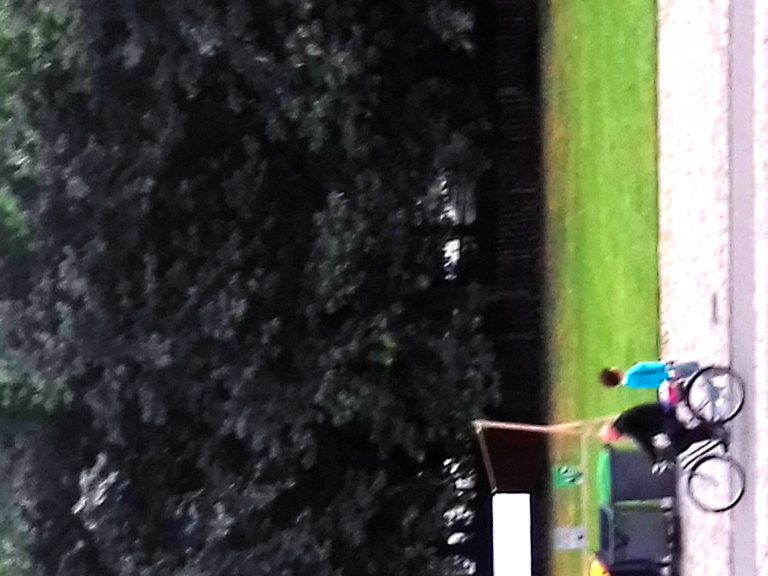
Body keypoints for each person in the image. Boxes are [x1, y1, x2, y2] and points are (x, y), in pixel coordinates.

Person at [598, 402, 724, 474]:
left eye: (611, 438)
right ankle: (710, 430)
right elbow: (645, 440)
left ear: (611, 431)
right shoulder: (623, 426)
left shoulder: (624, 425)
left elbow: (643, 441)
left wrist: (654, 460)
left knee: (678, 443)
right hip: (663, 419)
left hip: (665, 416)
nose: (614, 440)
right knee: (678, 442)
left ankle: (711, 431)